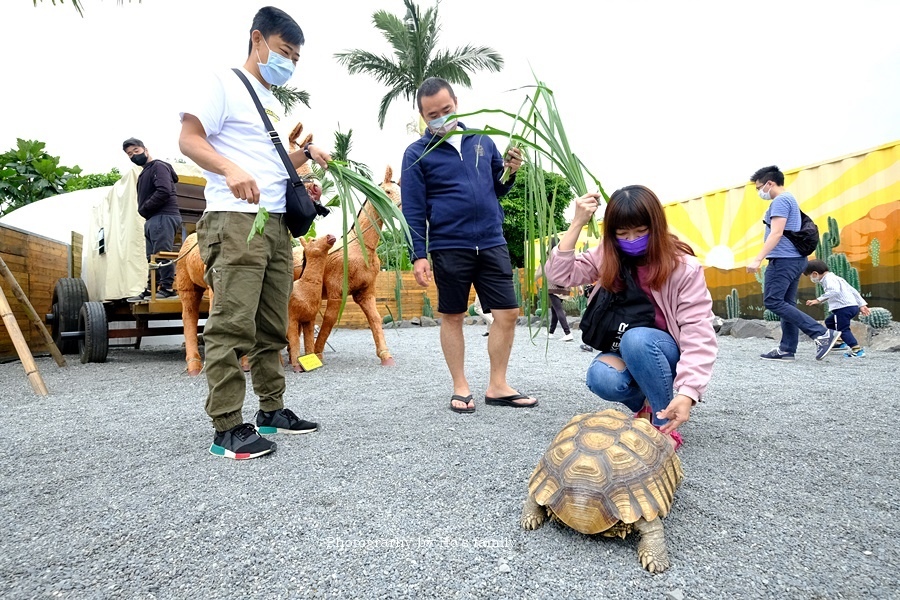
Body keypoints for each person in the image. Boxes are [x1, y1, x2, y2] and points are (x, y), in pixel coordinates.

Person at [178, 6, 330, 459]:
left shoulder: (264, 100)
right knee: (233, 322)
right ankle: (226, 428)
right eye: (285, 52)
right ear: (257, 39)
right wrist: (228, 169)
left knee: (270, 323)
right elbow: (189, 138)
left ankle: (271, 410)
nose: (288, 64)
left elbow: (263, 165)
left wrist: (301, 168)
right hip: (237, 221)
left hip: (276, 224)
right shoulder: (221, 82)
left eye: (296, 59)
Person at [544, 185, 718, 449]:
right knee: (601, 377)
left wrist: (688, 392)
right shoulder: (608, 254)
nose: (632, 239)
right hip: (623, 347)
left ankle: (662, 426)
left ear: (656, 226)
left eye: (640, 231)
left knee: (636, 339)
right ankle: (647, 407)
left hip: (663, 352)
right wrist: (578, 222)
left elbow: (698, 332)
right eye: (622, 233)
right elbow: (560, 276)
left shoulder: (682, 267)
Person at [401, 76, 535, 414]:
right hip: (450, 245)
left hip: (491, 240)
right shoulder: (417, 154)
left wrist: (511, 171)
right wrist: (419, 255)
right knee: (452, 315)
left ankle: (498, 384)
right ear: (422, 114)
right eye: (432, 114)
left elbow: (498, 186)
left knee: (508, 313)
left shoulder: (481, 140)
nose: (441, 117)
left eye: (446, 109)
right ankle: (460, 385)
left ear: (456, 103)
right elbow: (414, 210)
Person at [747, 165, 841, 361]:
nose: (759, 192)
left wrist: (757, 259)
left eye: (759, 188)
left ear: (770, 183)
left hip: (783, 261)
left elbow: (777, 233)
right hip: (796, 260)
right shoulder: (790, 199)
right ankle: (787, 348)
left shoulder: (781, 201)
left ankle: (822, 334)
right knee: (786, 303)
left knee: (773, 301)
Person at [121, 138, 182, 301]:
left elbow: (164, 190)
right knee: (152, 257)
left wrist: (144, 208)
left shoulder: (158, 166)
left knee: (162, 253)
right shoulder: (145, 172)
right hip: (153, 218)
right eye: (129, 154)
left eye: (136, 151)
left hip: (163, 215)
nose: (133, 155)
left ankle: (168, 288)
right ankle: (151, 289)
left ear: (145, 150)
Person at [804, 259, 871, 358]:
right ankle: (838, 342)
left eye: (810, 275)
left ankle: (857, 350)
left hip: (843, 308)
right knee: (830, 322)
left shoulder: (828, 279)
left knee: (843, 329)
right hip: (852, 307)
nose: (811, 278)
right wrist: (861, 304)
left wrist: (818, 300)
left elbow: (834, 291)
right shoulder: (836, 278)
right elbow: (853, 291)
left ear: (815, 273)